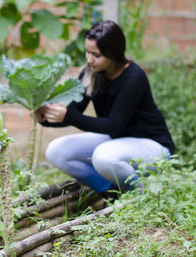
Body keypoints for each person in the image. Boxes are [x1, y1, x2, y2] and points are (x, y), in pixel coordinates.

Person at [36, 20, 175, 194]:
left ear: (114, 53)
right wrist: (46, 118)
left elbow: (113, 124)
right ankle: (109, 191)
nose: (89, 59)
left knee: (103, 157)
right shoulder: (91, 72)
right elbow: (74, 112)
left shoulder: (133, 77)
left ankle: (139, 196)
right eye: (87, 52)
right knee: (56, 151)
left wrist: (68, 116)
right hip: (117, 140)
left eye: (97, 55)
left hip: (152, 146)